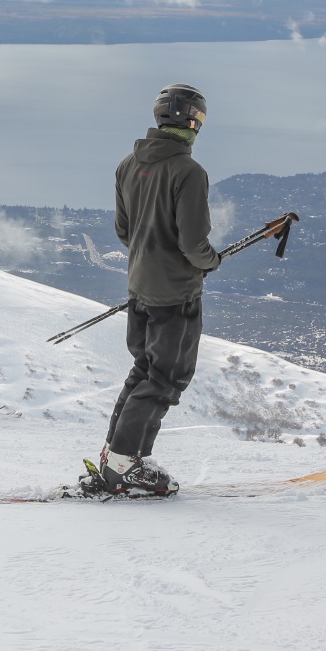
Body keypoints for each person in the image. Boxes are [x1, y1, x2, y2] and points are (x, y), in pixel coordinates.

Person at [97, 84, 220, 497]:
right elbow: (193, 245)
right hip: (176, 295)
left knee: (144, 372)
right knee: (165, 380)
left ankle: (116, 456)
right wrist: (211, 260)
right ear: (192, 120)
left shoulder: (127, 165)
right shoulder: (189, 172)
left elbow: (123, 231)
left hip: (139, 289)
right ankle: (122, 464)